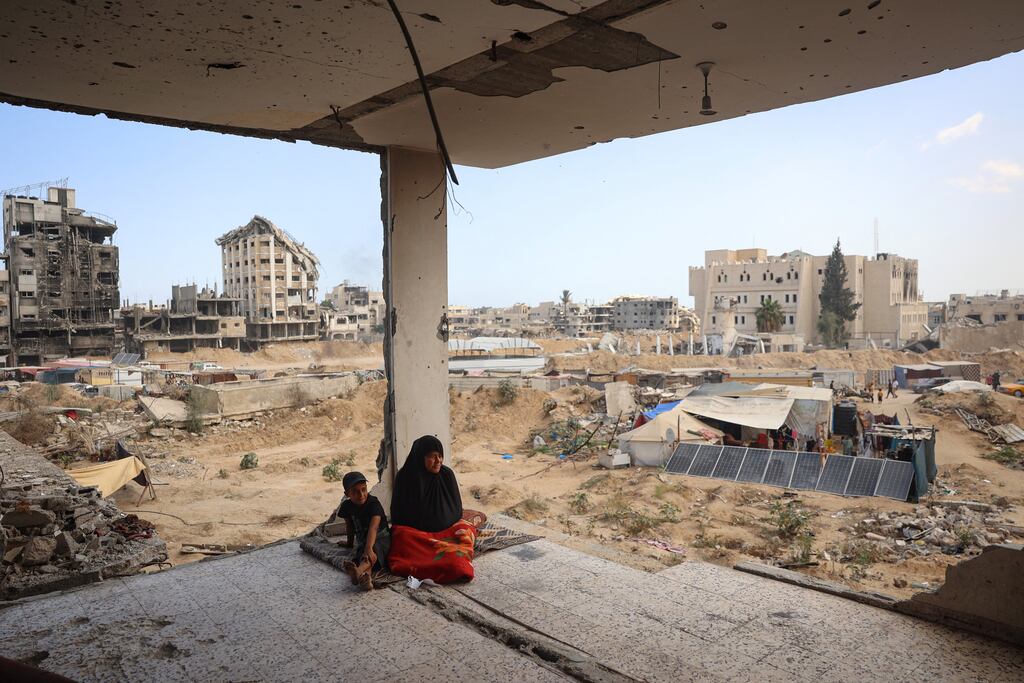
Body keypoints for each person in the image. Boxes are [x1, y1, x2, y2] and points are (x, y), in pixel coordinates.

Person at [388, 435, 484, 584]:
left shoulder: (446, 475)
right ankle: (428, 563)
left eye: (440, 456)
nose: (438, 461)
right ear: (420, 458)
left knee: (464, 530)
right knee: (401, 536)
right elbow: (399, 515)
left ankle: (447, 563)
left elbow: (457, 509)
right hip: (416, 535)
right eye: (432, 457)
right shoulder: (406, 478)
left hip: (447, 532)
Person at [338, 471, 390, 591]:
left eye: (364, 489)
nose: (361, 494)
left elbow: (374, 528)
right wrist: (349, 543)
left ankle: (358, 571)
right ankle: (366, 580)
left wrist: (368, 548)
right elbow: (349, 526)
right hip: (364, 541)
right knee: (363, 553)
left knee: (370, 551)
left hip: (381, 540)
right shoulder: (346, 506)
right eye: (355, 491)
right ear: (347, 494)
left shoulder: (374, 504)